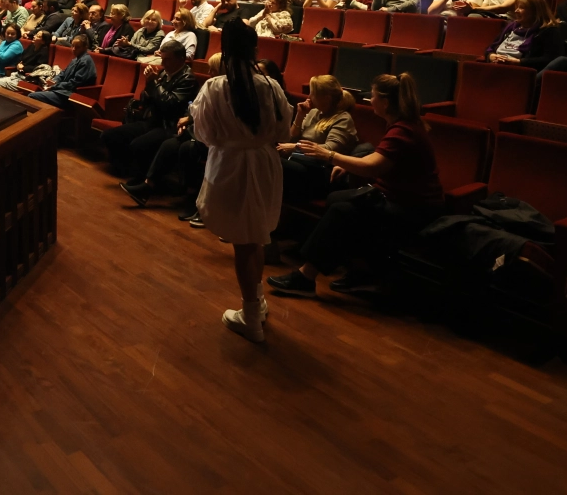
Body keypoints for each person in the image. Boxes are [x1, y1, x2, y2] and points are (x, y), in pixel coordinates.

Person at [268, 73, 443, 299]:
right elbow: (382, 159)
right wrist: (349, 165)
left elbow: (373, 166)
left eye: (373, 96)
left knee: (344, 210)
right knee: (336, 200)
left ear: (386, 102)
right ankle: (364, 270)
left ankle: (306, 276)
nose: (370, 100)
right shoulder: (401, 125)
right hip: (398, 197)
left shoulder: (403, 131)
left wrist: (330, 155)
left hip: (415, 207)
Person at [188, 22, 288, 342]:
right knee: (254, 237)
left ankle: (251, 316)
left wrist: (230, 140)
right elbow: (284, 128)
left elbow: (203, 133)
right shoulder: (270, 85)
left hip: (230, 163)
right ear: (255, 49)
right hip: (263, 162)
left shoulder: (216, 86)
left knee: (243, 244)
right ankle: (255, 303)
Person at [110, 39, 198, 182]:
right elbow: (147, 100)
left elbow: (170, 104)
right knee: (111, 136)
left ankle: (142, 179)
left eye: (167, 60)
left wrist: (153, 83)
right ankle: (125, 170)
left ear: (181, 59)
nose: (163, 64)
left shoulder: (188, 78)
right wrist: (148, 85)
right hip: (154, 119)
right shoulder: (164, 73)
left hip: (169, 125)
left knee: (138, 145)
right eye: (162, 59)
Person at [278, 75, 358, 204]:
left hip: (321, 172)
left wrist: (295, 147)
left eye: (313, 94)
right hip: (300, 163)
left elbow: (329, 150)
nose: (309, 97)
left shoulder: (343, 119)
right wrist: (300, 115)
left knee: (276, 163)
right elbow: (291, 138)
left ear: (326, 98)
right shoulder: (314, 112)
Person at [484, 0, 565, 70]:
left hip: (522, 70)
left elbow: (550, 59)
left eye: (522, 8)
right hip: (496, 65)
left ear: (535, 12)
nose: (516, 11)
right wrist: (491, 56)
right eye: (517, 7)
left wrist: (519, 62)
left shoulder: (549, 31)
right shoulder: (511, 27)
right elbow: (490, 47)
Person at [28, 33, 98, 106]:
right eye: (72, 46)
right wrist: (54, 81)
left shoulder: (85, 62)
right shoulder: (76, 59)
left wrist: (55, 86)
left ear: (85, 47)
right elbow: (63, 73)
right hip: (62, 91)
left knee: (32, 96)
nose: (74, 49)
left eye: (77, 47)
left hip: (69, 95)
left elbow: (73, 84)